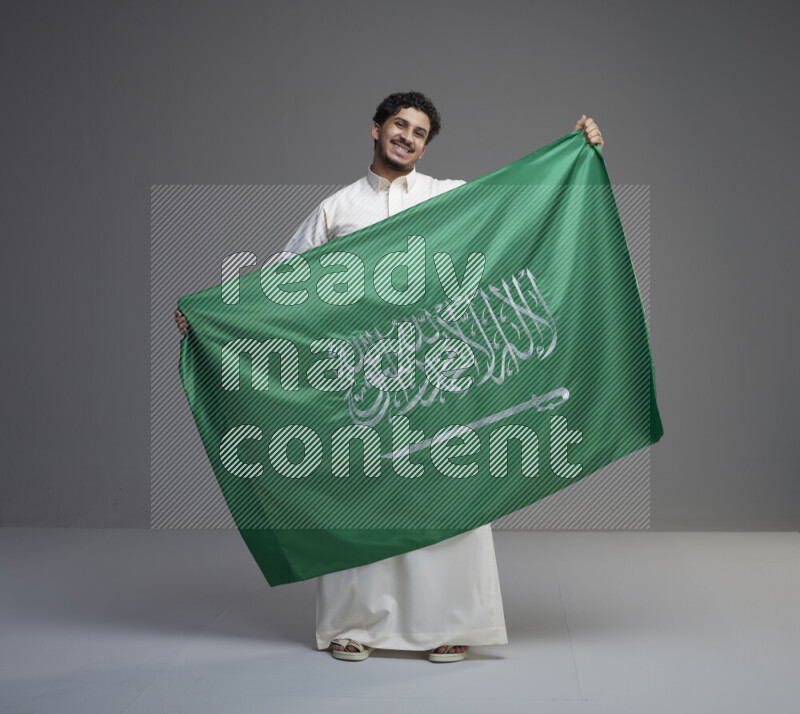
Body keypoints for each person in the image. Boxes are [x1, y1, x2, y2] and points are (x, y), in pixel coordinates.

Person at [175, 91, 603, 662]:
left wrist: (578, 152)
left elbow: (520, 203)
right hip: (364, 383)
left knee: (449, 488)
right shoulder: (337, 210)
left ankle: (451, 625)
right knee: (359, 494)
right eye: (400, 125)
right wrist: (211, 317)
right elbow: (276, 288)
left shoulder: (448, 198)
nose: (408, 137)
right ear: (376, 130)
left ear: (426, 145)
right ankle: (354, 626)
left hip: (439, 375)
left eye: (420, 132)